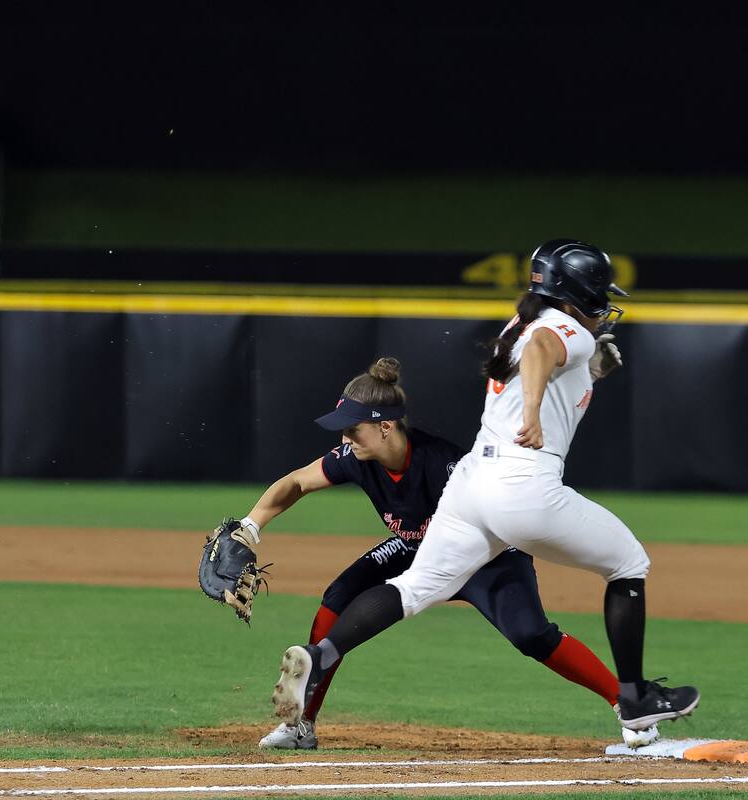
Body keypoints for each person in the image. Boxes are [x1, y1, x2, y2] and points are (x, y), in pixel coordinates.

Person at [272, 240, 699, 739]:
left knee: (415, 586)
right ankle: (635, 699)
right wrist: (535, 409)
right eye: (598, 294)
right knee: (628, 563)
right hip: (523, 486)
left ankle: (323, 655)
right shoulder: (560, 330)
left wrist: (583, 371)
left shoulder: (520, 324)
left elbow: (539, 355)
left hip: (470, 485)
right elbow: (543, 351)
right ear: (576, 295)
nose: (603, 304)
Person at [234, 356, 659, 750]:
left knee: (531, 635)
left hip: (488, 552)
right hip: (417, 547)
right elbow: (297, 482)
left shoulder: (442, 463)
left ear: (386, 427)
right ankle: (300, 724)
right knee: (338, 598)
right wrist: (250, 527)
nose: (345, 438)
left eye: (353, 429)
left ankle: (628, 705)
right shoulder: (356, 457)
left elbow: (490, 515)